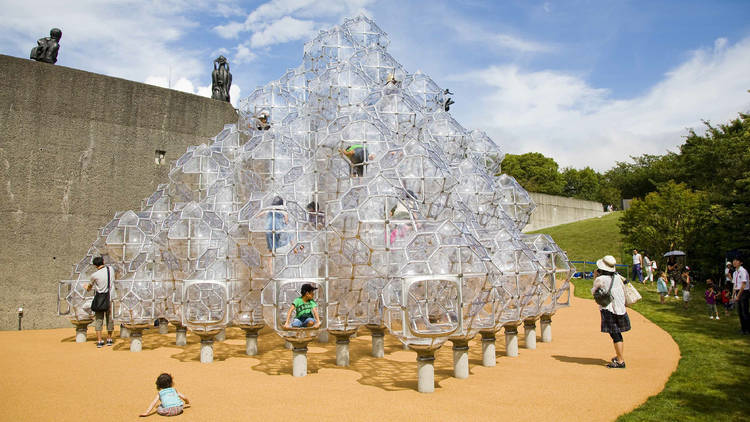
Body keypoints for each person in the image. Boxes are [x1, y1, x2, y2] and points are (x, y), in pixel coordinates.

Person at [591, 255, 630, 369]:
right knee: (617, 334)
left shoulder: (601, 279)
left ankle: (620, 361)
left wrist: (595, 277)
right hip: (620, 308)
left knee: (615, 335)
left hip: (609, 309)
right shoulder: (617, 277)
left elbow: (594, 292)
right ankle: (619, 356)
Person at [83, 256, 115, 348]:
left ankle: (100, 340)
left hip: (100, 299)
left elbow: (89, 287)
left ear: (94, 265)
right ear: (103, 262)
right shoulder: (111, 270)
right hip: (110, 298)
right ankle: (109, 339)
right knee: (110, 319)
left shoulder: (94, 275)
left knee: (99, 319)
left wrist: (85, 287)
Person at [265, 196, 290, 270]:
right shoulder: (284, 212)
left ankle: (270, 270)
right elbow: (286, 221)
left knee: (271, 251)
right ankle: (281, 266)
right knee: (284, 244)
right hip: (278, 230)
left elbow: (260, 214)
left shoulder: (269, 211)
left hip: (268, 231)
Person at [731, 256, 749, 334]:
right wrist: (733, 295)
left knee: (745, 312)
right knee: (740, 312)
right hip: (738, 291)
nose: (734, 262)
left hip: (744, 292)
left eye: (737, 260)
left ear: (741, 262)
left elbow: (743, 284)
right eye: (734, 260)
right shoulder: (735, 272)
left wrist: (738, 296)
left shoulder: (743, 271)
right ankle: (743, 328)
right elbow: (735, 285)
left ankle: (748, 329)